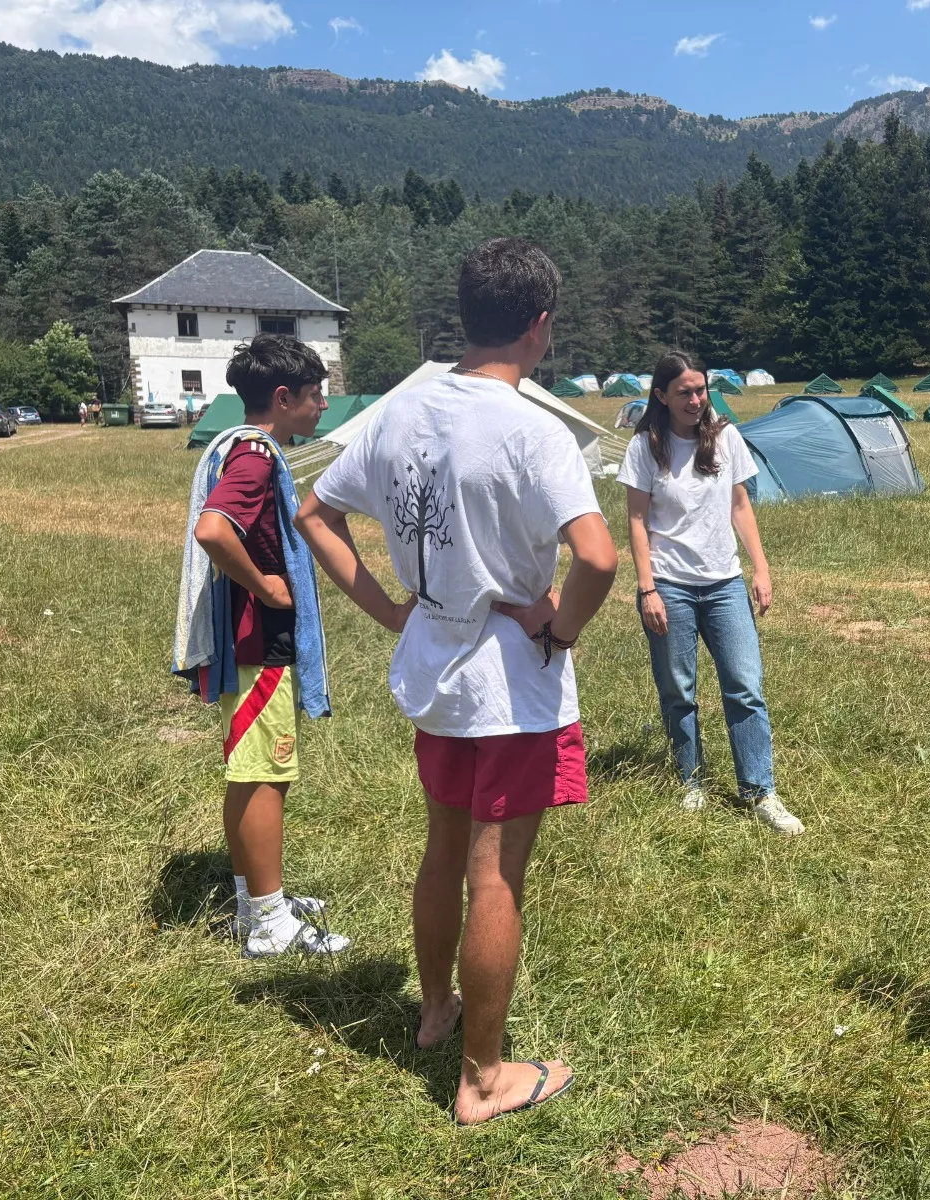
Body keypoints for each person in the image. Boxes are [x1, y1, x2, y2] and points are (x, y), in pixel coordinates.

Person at [296, 237, 618, 1126]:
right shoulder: (531, 430)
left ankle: (437, 1010)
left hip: (434, 671)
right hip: (510, 687)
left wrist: (393, 612)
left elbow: (314, 513)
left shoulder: (400, 412)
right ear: (540, 327)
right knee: (496, 876)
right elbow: (596, 555)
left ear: (467, 313)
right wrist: (560, 627)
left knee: (442, 849)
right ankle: (482, 1078)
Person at [177, 334, 347, 958]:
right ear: (284, 397)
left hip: (249, 641)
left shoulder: (244, 448)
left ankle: (255, 899)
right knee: (267, 775)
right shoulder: (253, 457)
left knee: (247, 775)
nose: (323, 406)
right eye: (315, 395)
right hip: (258, 645)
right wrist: (267, 585)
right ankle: (270, 923)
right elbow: (213, 530)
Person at [617, 351, 802, 835]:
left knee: (745, 686)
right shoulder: (645, 448)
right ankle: (691, 781)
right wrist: (647, 589)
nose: (696, 400)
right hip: (670, 586)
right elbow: (636, 522)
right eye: (685, 392)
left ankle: (760, 791)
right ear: (661, 395)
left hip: (724, 584)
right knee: (679, 690)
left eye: (701, 390)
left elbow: (741, 505)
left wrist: (760, 570)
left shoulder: (725, 437)